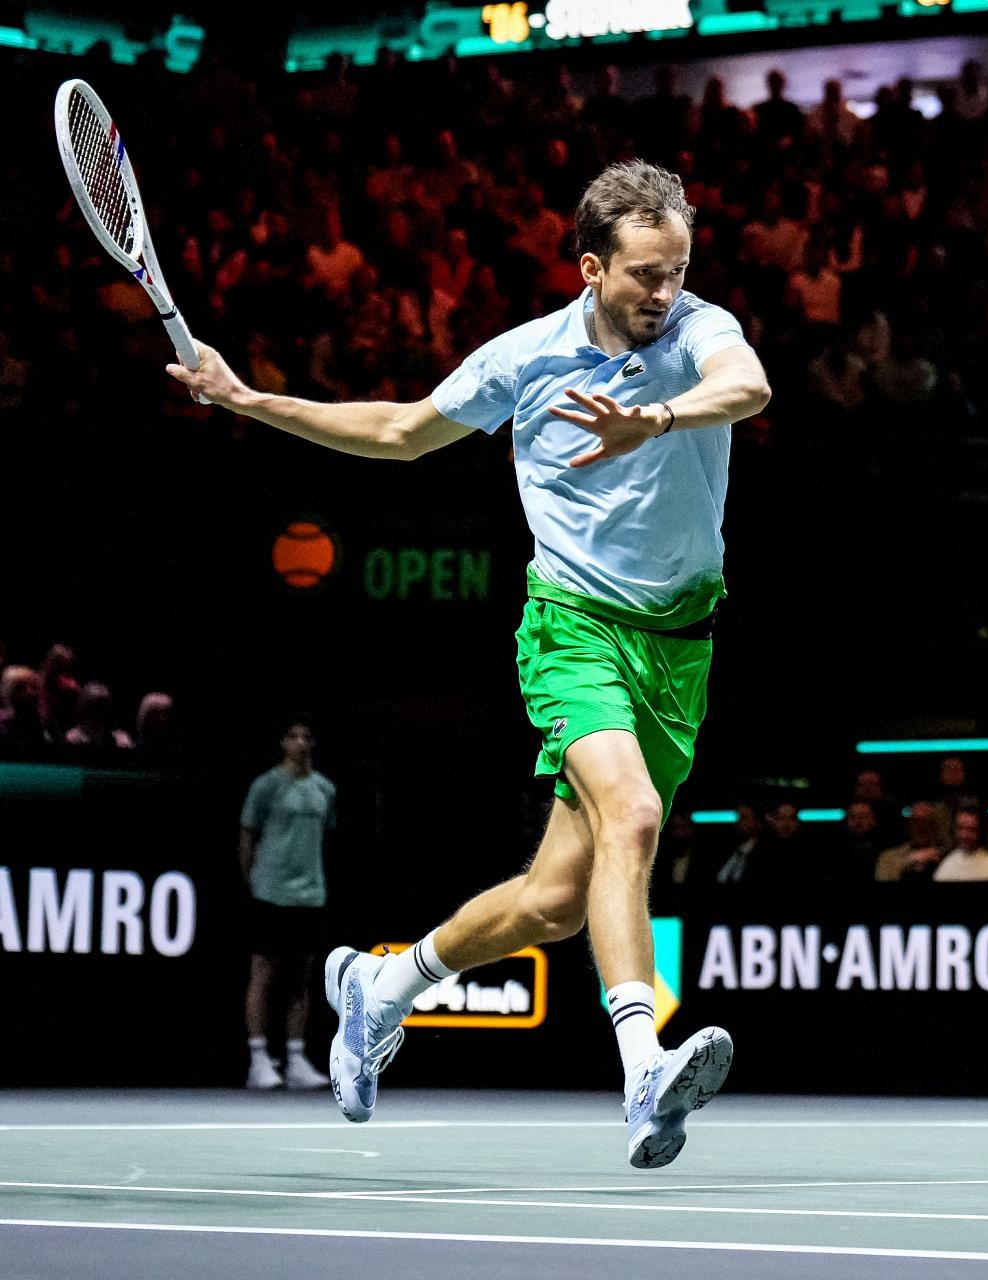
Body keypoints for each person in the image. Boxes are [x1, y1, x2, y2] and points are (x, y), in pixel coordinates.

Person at [168, 159, 771, 1168]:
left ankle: (383, 983)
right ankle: (642, 1070)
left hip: (680, 645)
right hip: (574, 628)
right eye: (643, 276)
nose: (664, 293)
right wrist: (247, 398)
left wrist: (657, 417)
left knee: (552, 900)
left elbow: (747, 385)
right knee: (633, 813)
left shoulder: (701, 330)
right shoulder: (526, 359)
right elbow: (401, 432)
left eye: (676, 271)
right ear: (589, 266)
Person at [239, 721, 335, 1092]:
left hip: (310, 896)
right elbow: (247, 833)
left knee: (301, 978)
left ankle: (296, 1059)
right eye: (293, 736)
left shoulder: (325, 789)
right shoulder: (266, 786)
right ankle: (258, 1059)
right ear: (282, 742)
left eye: (307, 736)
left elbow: (324, 837)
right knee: (263, 972)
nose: (300, 743)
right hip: (270, 893)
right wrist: (252, 880)